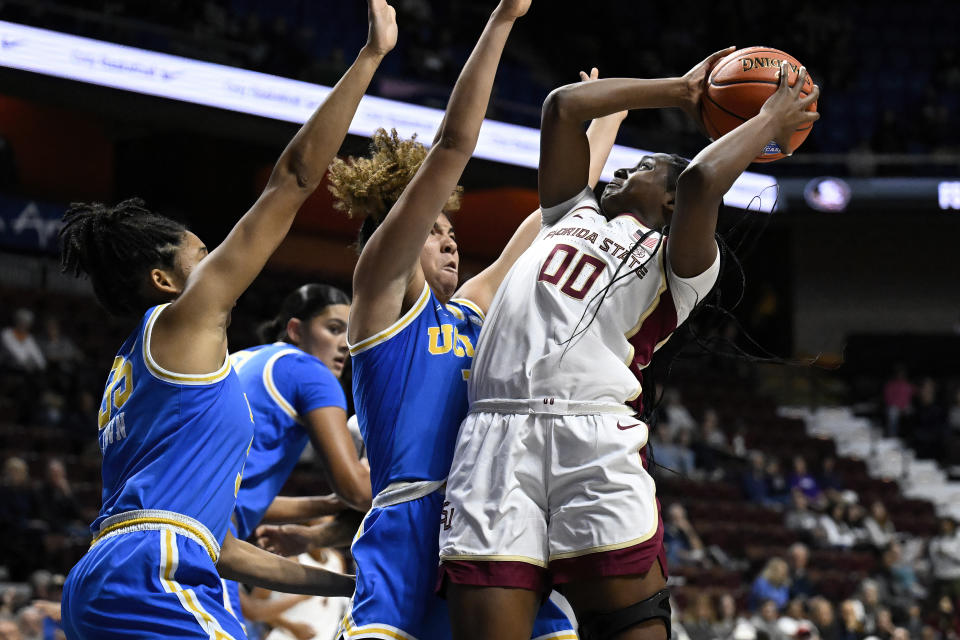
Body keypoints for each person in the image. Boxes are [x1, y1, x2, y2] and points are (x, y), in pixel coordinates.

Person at [439, 48, 819, 640]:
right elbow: (562, 107)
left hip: (592, 438)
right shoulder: (567, 213)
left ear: (668, 202)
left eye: (640, 167)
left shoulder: (684, 264)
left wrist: (770, 118)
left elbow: (699, 180)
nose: (617, 171)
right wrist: (682, 88)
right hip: (494, 436)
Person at [56, 2, 396, 636]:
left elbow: (225, 549)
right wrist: (369, 59)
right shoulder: (183, 321)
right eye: (203, 255)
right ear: (163, 279)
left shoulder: (132, 372)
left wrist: (346, 584)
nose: (218, 262)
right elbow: (292, 180)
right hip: (153, 571)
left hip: (117, 569)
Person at [327, 0, 623, 635]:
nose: (451, 241)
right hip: (409, 530)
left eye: (452, 231)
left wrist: (602, 123)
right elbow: (455, 145)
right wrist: (502, 24)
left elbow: (553, 219)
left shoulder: (466, 314)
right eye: (435, 231)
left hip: (488, 523)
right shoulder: (380, 301)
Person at [222, 283, 371, 631]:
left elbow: (240, 500)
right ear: (295, 330)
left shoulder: (241, 360)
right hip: (199, 542)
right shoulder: (310, 371)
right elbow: (359, 491)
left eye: (349, 335)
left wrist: (327, 505)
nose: (345, 344)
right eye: (334, 329)